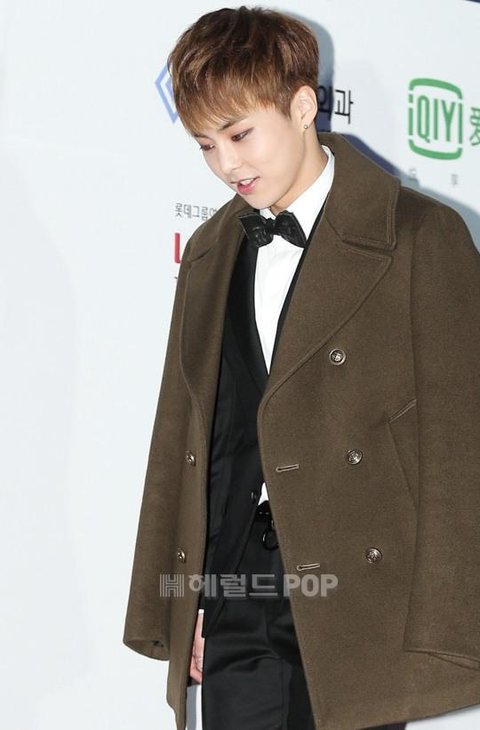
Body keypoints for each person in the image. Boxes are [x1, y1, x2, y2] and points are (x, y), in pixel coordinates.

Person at [123, 6, 480, 730]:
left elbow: (461, 443)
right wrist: (189, 599)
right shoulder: (210, 251)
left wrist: (446, 620)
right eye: (206, 145)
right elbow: (192, 436)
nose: (227, 164)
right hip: (241, 586)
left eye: (240, 134)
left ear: (303, 106)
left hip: (364, 592)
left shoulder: (420, 236)